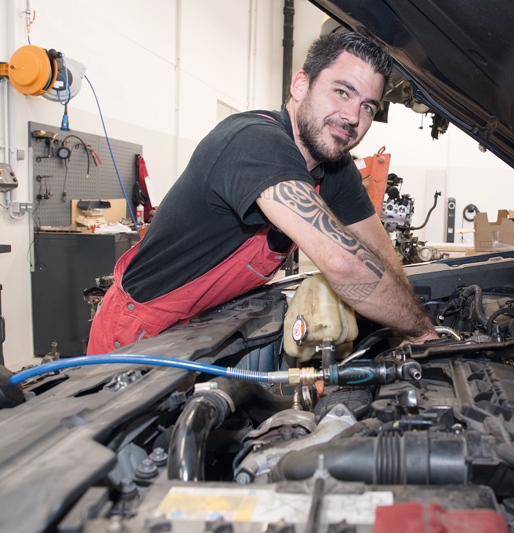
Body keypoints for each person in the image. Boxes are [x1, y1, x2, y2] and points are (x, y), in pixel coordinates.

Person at [87, 32, 438, 355]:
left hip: (208, 326)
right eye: (342, 91)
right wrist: (421, 331)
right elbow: (344, 263)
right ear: (301, 84)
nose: (352, 117)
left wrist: (400, 327)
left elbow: (382, 253)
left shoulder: (335, 166)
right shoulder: (255, 141)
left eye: (368, 107)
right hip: (139, 328)